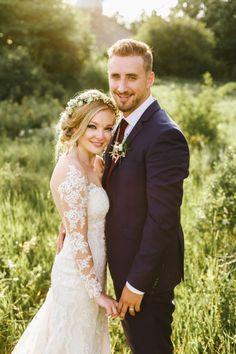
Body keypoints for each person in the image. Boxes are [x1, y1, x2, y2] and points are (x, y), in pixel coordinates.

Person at [12, 89, 119, 354]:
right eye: (92, 126)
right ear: (78, 126)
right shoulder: (70, 169)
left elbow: (84, 214)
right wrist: (96, 293)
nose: (100, 135)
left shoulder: (95, 164)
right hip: (77, 278)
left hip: (95, 270)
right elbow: (79, 240)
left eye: (108, 128)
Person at [101, 39, 190, 353]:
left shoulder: (164, 135)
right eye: (115, 77)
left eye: (131, 77)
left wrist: (137, 284)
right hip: (125, 264)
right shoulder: (119, 125)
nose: (121, 87)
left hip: (146, 277)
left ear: (150, 79)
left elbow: (162, 219)